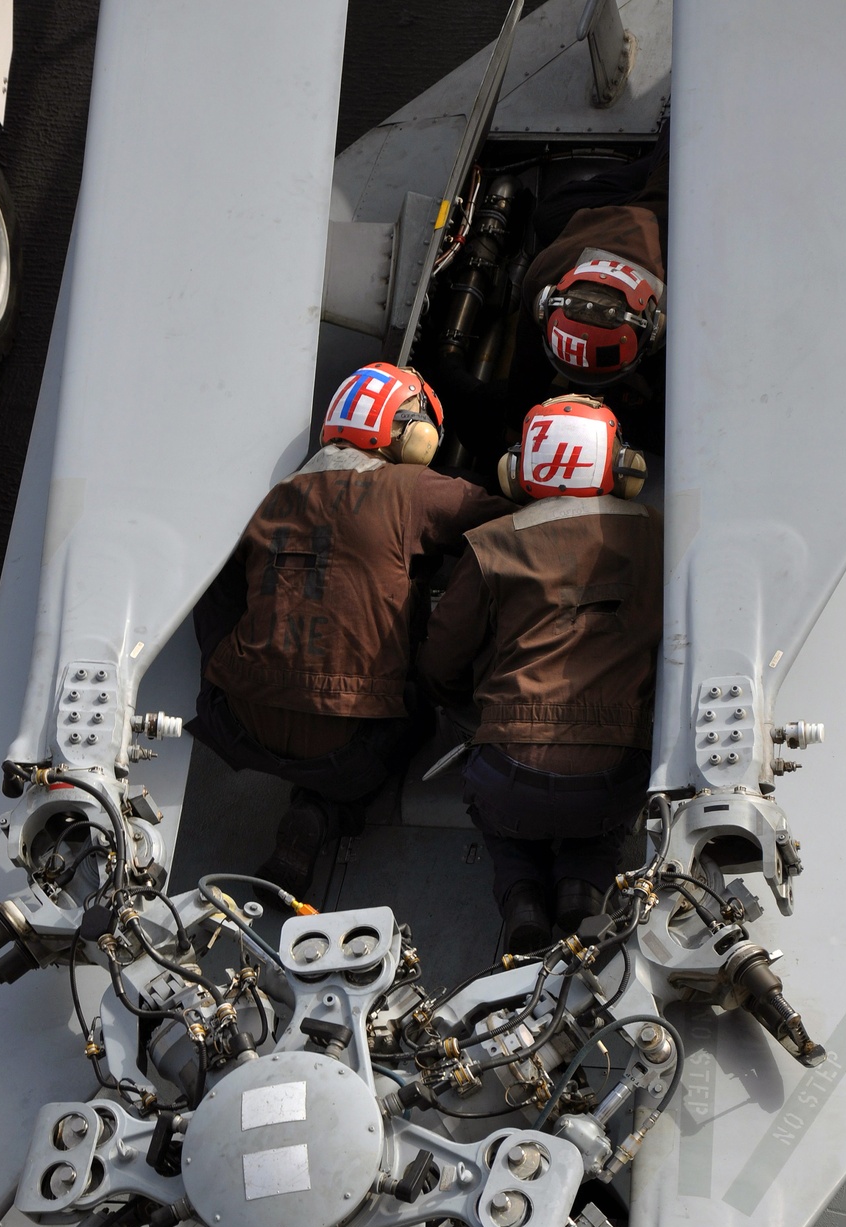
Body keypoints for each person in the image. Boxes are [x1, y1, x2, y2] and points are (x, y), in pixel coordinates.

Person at [188, 362, 509, 896]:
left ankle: (311, 803)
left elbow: (213, 593)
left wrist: (224, 663)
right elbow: (509, 528)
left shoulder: (273, 493)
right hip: (346, 745)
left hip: (238, 723)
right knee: (416, 713)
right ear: (411, 433)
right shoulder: (413, 490)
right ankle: (323, 811)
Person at [417, 394, 663, 954]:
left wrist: (463, 709)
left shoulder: (490, 543)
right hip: (612, 777)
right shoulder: (660, 537)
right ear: (621, 467)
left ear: (519, 468)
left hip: (511, 774)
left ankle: (522, 893)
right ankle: (582, 886)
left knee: (503, 818)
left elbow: (441, 660)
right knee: (602, 826)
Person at [431, 129, 668, 462]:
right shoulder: (544, 273)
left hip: (677, 178)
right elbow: (528, 368)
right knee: (546, 216)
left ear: (656, 330)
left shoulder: (696, 303)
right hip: (638, 200)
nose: (591, 395)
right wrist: (516, 425)